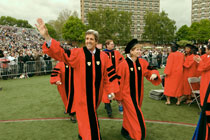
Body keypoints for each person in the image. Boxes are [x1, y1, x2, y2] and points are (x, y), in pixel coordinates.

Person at [35, 18, 119, 140]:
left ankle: (82, 135)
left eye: (91, 39)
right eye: (87, 39)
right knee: (91, 128)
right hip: (82, 98)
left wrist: (111, 91)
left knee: (89, 120)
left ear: (96, 41)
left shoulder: (104, 57)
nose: (88, 41)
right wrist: (47, 36)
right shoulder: (78, 53)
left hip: (96, 97)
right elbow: (61, 53)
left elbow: (109, 75)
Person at [116, 39, 161, 140]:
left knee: (129, 115)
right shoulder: (123, 65)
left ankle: (125, 130)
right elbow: (118, 82)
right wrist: (119, 98)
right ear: (131, 51)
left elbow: (150, 69)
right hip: (127, 96)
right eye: (136, 50)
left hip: (139, 95)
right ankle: (138, 136)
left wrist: (153, 73)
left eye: (140, 50)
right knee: (137, 117)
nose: (139, 51)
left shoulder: (142, 62)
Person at [102, 39, 124, 117]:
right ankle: (109, 110)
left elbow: (122, 61)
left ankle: (120, 106)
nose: (113, 45)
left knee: (117, 92)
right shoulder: (102, 54)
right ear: (107, 45)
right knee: (107, 94)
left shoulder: (116, 53)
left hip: (115, 77)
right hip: (106, 78)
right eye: (111, 44)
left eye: (113, 44)